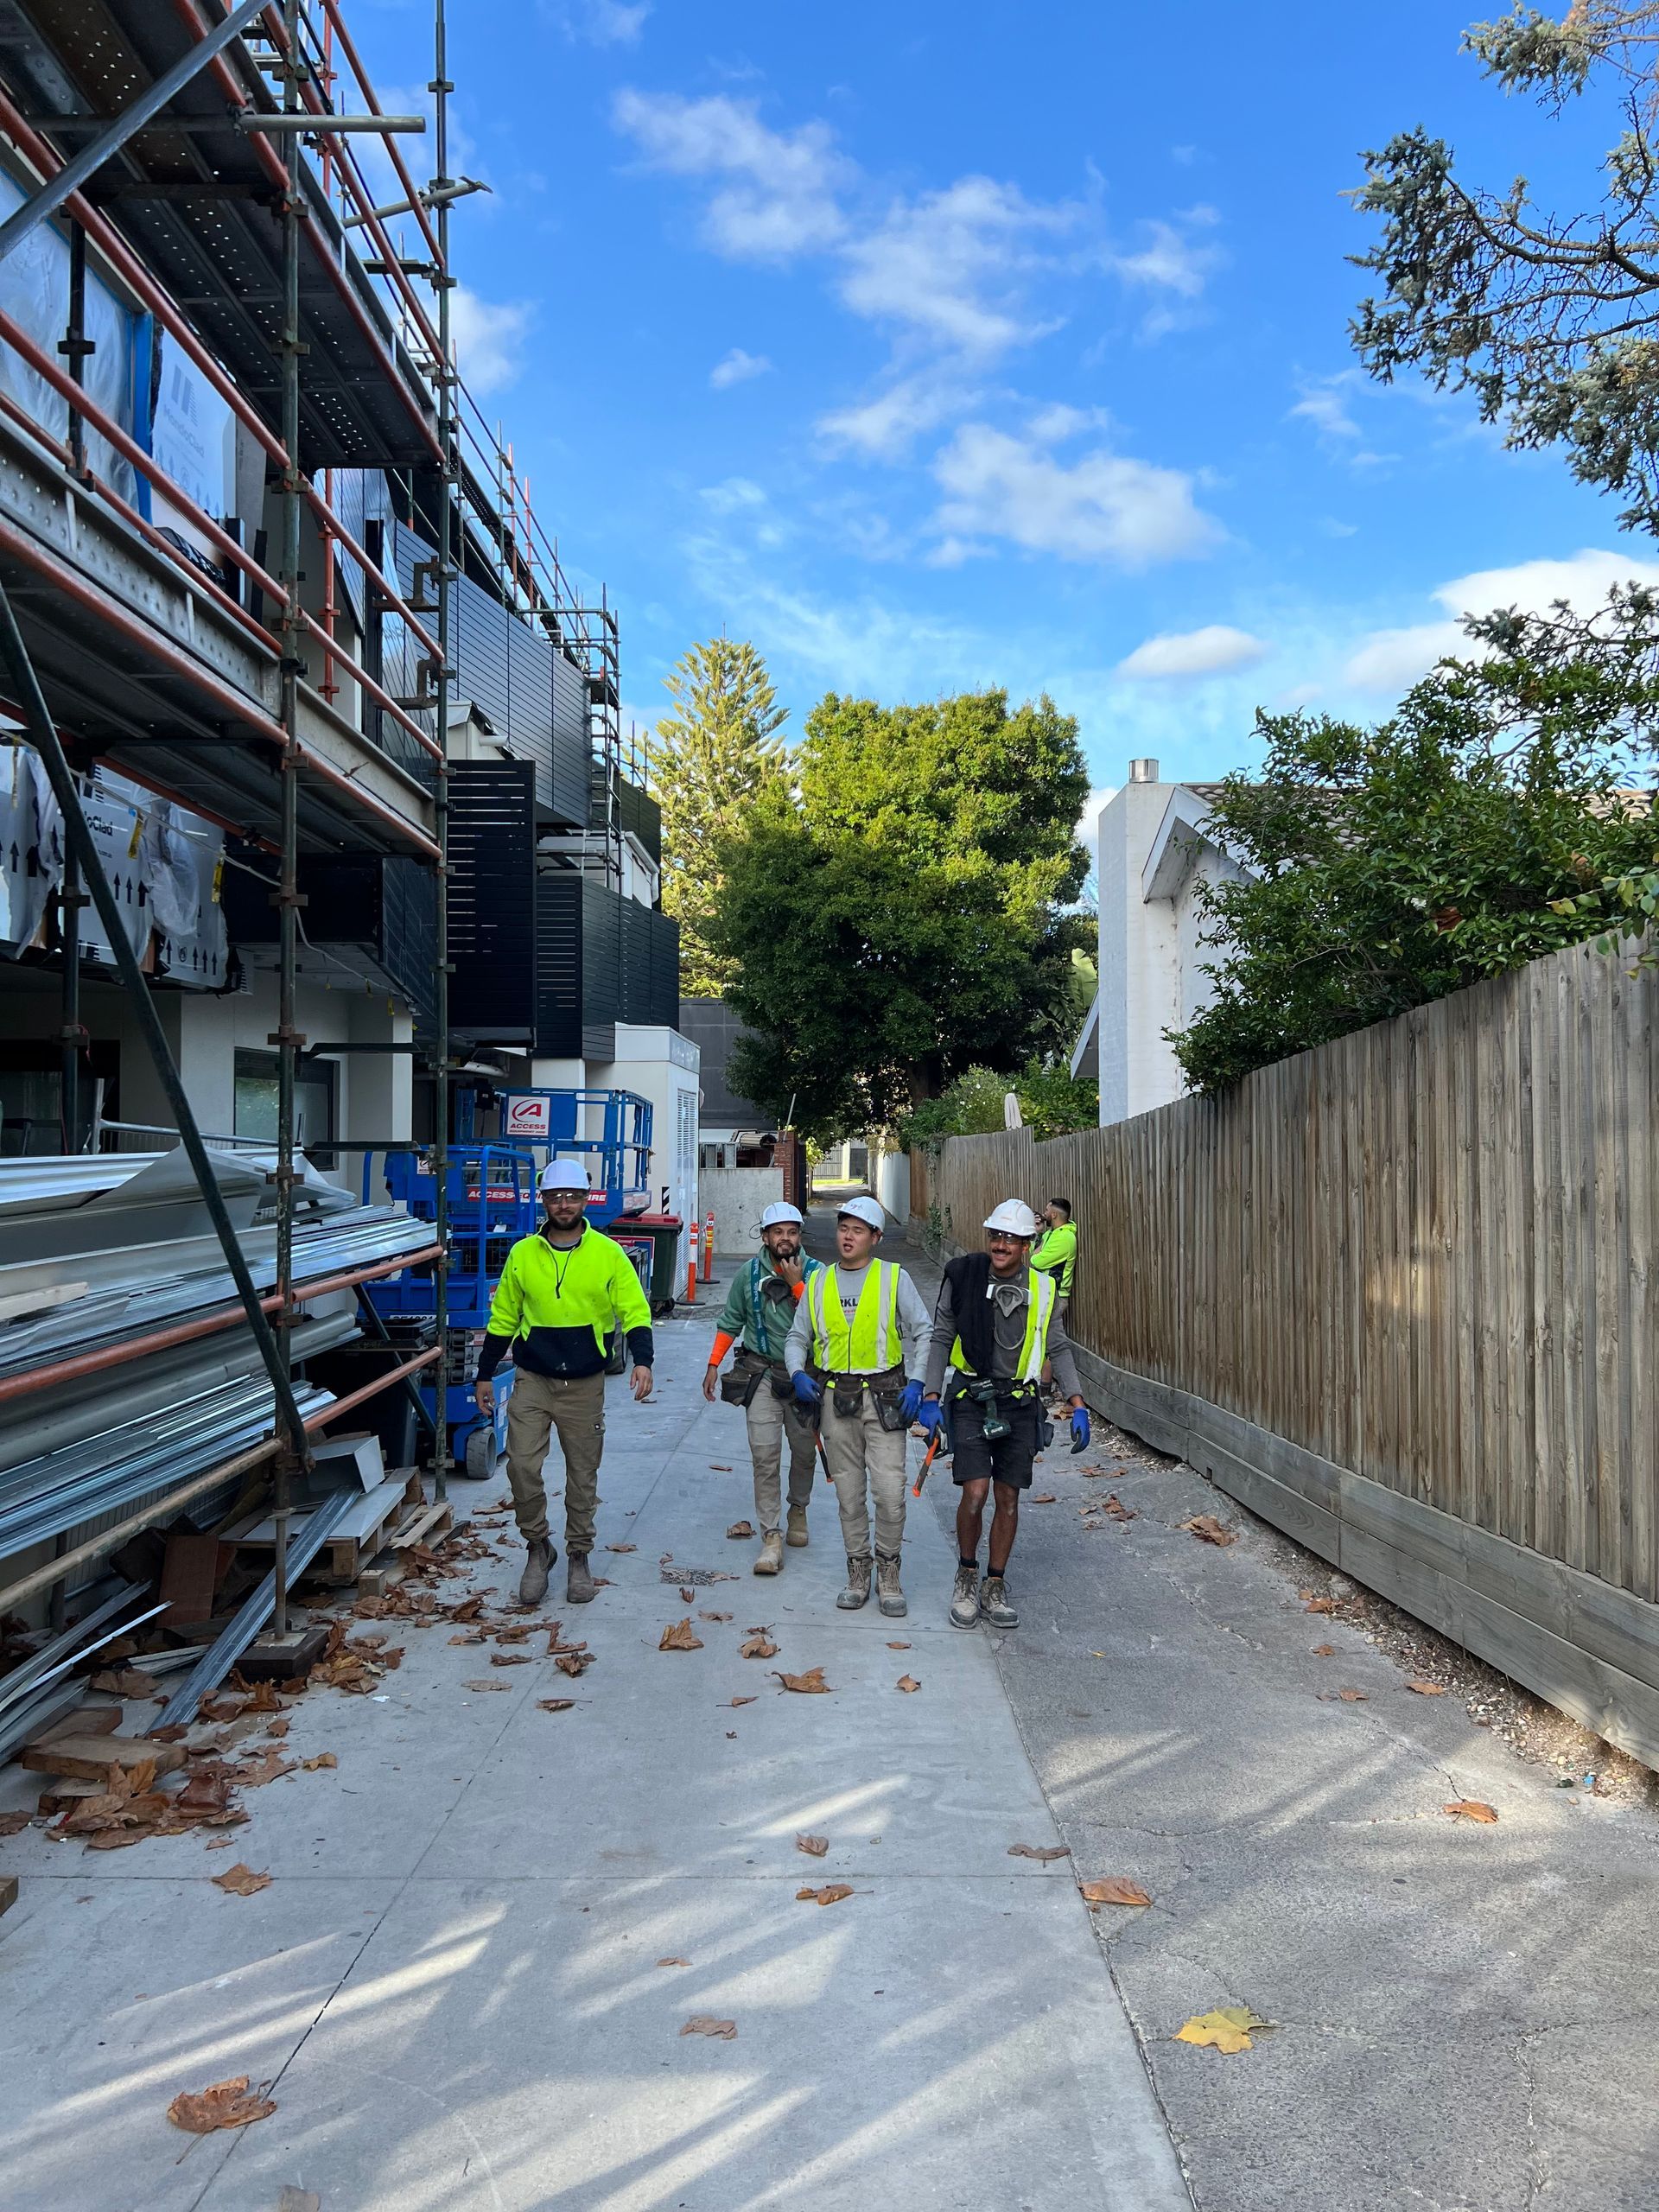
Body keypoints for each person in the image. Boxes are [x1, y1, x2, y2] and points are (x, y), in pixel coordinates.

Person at [473, 1158, 653, 1608]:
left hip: (585, 1384)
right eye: (555, 1197)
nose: (564, 1204)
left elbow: (635, 1310)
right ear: (544, 1201)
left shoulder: (608, 1254)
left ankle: (578, 1556)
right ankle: (538, 1547)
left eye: (572, 1196)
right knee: (521, 1466)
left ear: (585, 1200)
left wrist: (643, 1361)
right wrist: (484, 1373)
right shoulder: (522, 1254)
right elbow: (503, 1317)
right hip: (533, 1378)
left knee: (582, 1474)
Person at [921, 1198, 1090, 1631]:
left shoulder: (1044, 1289)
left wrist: (1077, 1403)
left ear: (1027, 1245)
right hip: (971, 1398)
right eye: (995, 1236)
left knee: (1008, 1498)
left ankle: (994, 1584)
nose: (1000, 1245)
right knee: (975, 1492)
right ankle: (966, 1575)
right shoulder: (964, 1278)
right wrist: (931, 1395)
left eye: (1010, 1239)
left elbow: (1057, 1345)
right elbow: (941, 1335)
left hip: (1019, 1403)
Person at [785, 1193, 931, 1618]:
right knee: (849, 1495)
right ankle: (858, 1570)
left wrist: (918, 1382)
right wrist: (797, 1373)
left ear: (876, 1238)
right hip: (835, 1400)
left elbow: (924, 1331)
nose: (848, 1237)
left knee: (889, 1493)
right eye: (843, 1228)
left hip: (886, 1399)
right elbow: (797, 1336)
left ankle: (889, 1570)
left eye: (858, 1231)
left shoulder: (894, 1278)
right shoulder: (818, 1282)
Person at [702, 1200, 825, 1575]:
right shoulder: (748, 1274)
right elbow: (731, 1321)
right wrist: (713, 1364)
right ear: (766, 1236)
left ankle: (798, 1508)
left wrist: (796, 1285)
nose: (785, 1239)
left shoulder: (819, 1274)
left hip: (804, 1380)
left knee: (803, 1452)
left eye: (792, 1232)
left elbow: (824, 1323)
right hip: (763, 1376)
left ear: (799, 1236)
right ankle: (771, 1536)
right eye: (778, 1232)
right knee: (764, 1455)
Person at [1030, 1198, 1077, 1327]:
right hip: (1045, 1293)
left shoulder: (1065, 1238)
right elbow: (1033, 1252)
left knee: (1047, 1335)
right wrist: (1038, 1233)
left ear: (1054, 1214)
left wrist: (1036, 1253)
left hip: (1055, 1297)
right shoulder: (1050, 1233)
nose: (1044, 1214)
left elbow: (1036, 1262)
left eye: (1047, 1210)